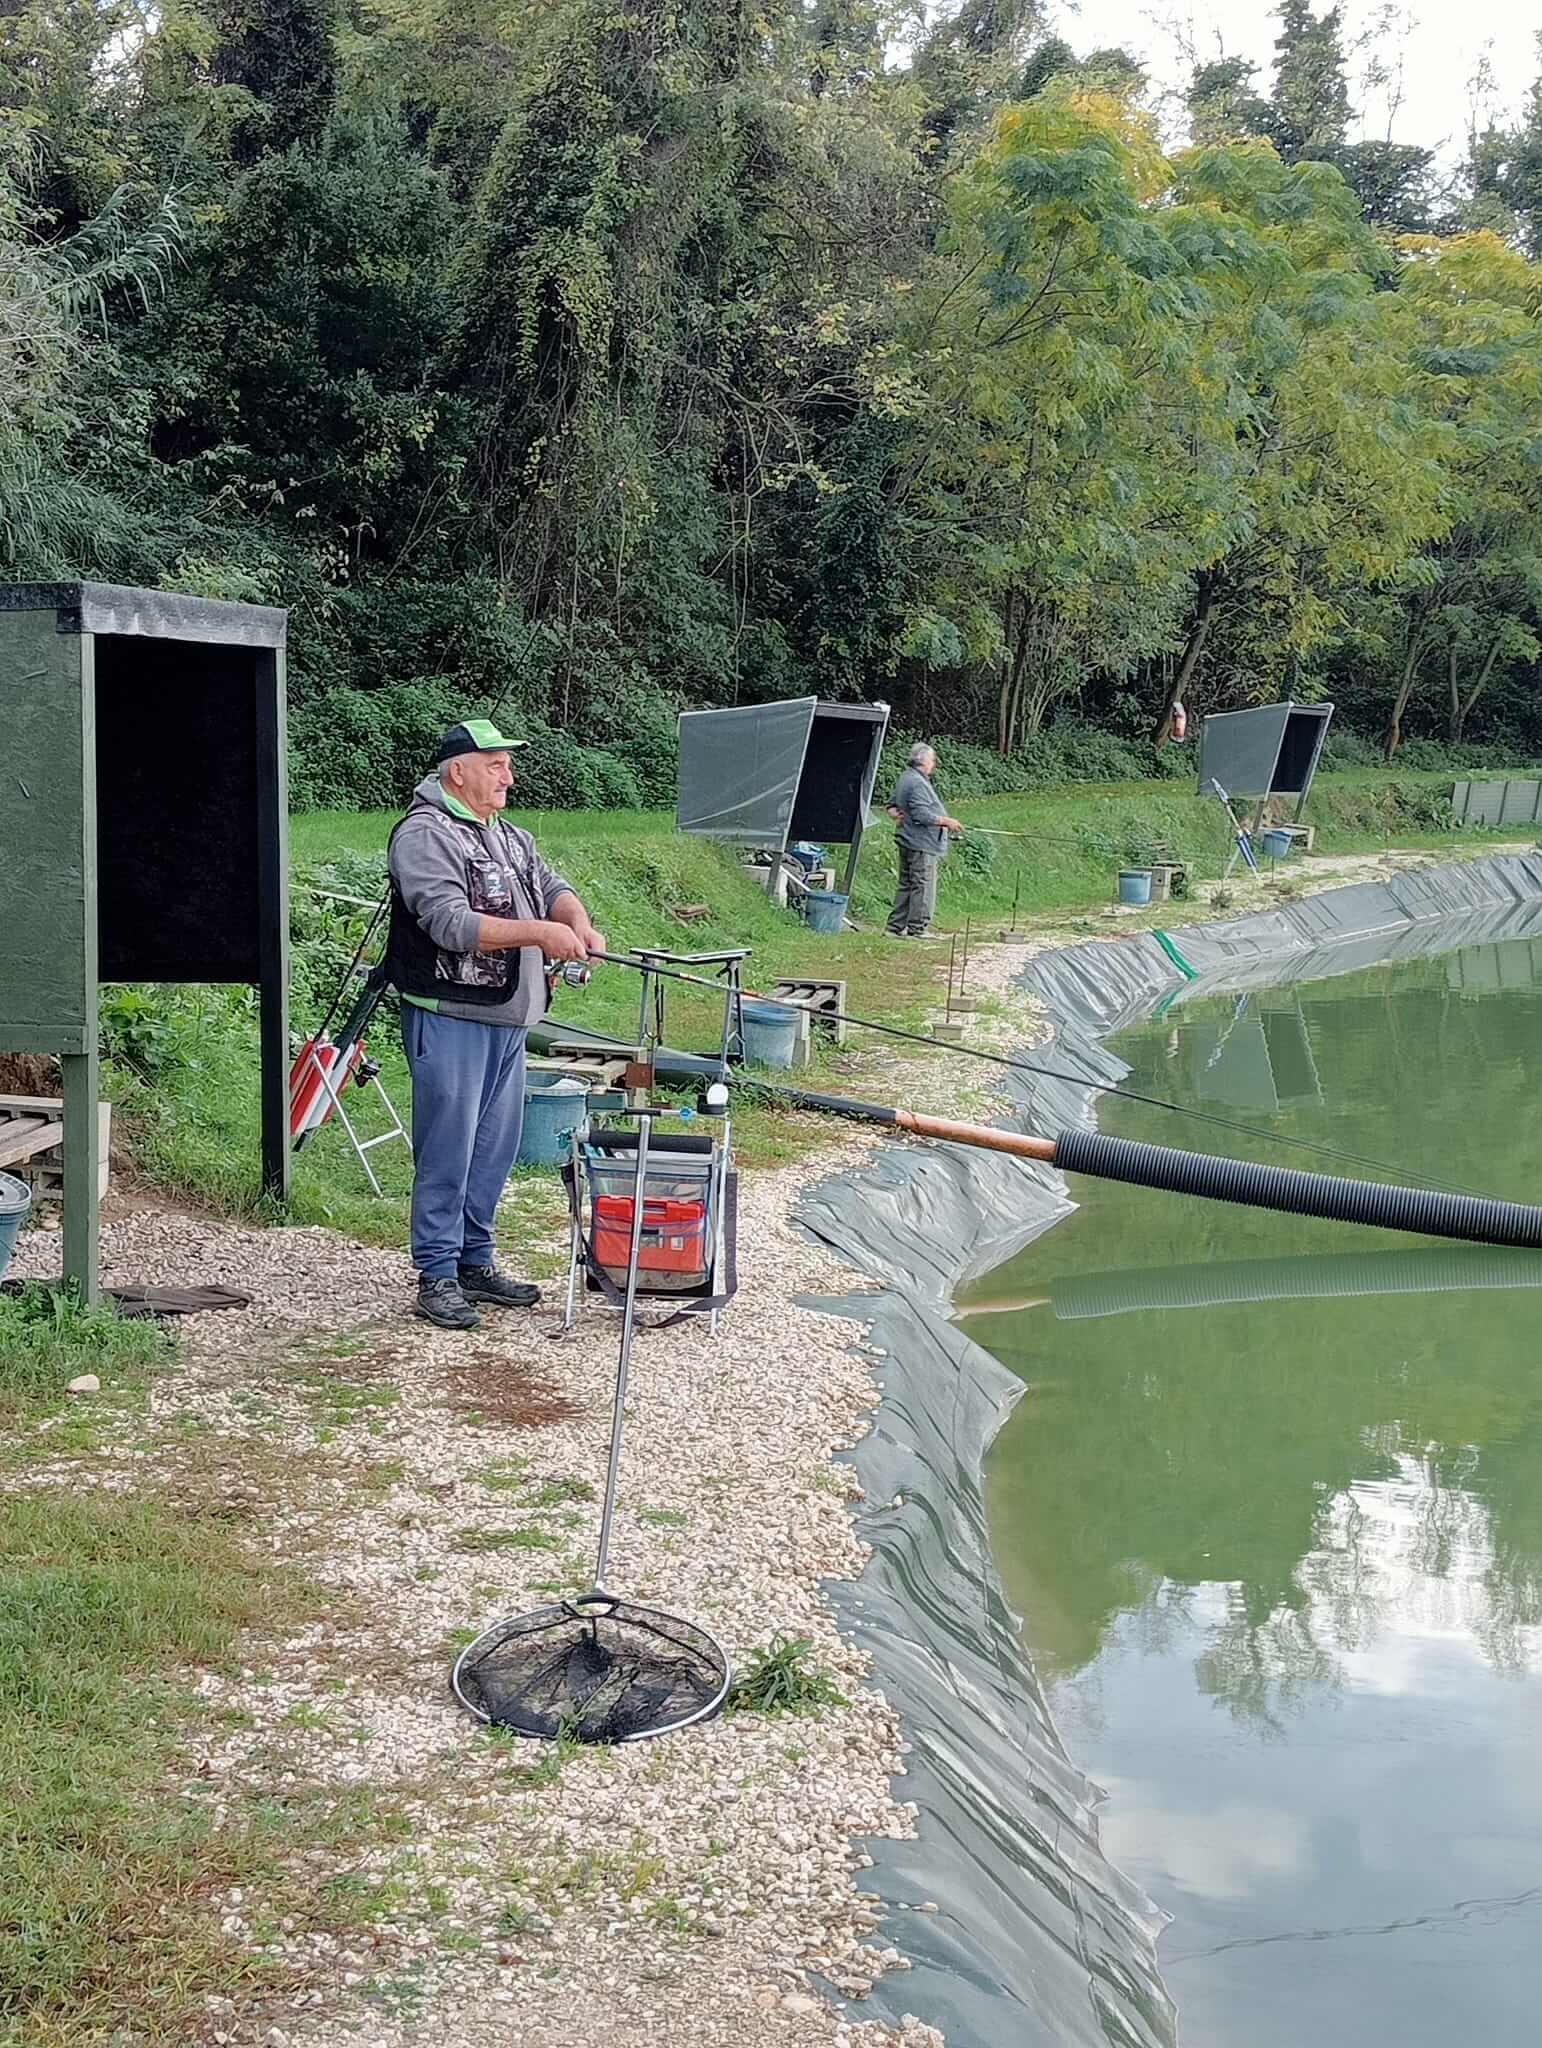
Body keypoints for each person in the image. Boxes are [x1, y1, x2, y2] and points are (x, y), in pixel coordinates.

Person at [386, 719, 606, 1331]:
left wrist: (576, 922)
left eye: (508, 764)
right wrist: (540, 934)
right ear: (459, 770)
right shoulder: (424, 835)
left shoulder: (508, 835)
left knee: (494, 1148)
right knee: (447, 1148)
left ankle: (475, 1261)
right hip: (450, 1016)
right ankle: (435, 1273)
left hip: (509, 1019)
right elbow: (450, 924)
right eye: (496, 764)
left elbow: (552, 886)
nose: (509, 775)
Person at [885, 742, 963, 938]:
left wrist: (896, 815)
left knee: (906, 883)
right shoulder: (917, 782)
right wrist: (947, 821)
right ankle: (918, 928)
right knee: (922, 884)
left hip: (907, 838)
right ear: (922, 760)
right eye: (932, 760)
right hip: (921, 843)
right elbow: (921, 814)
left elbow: (891, 806)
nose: (934, 764)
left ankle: (894, 927)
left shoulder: (906, 777)